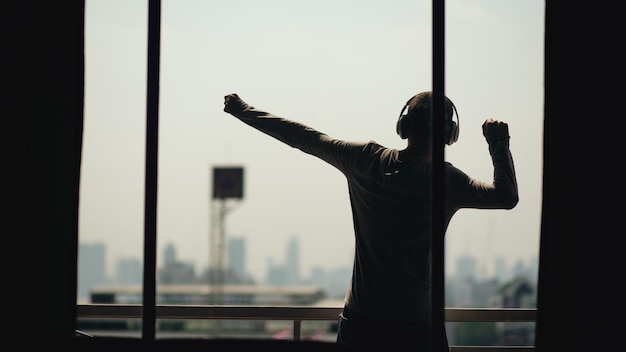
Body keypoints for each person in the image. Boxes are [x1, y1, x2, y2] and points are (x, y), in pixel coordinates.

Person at [222, 91, 518, 351]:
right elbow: (506, 197)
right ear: (449, 135)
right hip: (417, 326)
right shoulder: (446, 181)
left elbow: (302, 137)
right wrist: (498, 143)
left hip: (362, 324)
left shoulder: (363, 160)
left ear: (403, 127)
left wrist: (242, 110)